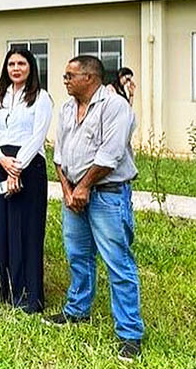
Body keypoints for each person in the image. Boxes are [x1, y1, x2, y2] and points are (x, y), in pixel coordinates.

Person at [47, 56, 144, 362]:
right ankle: (77, 311)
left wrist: (85, 187)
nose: (64, 80)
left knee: (118, 263)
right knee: (78, 256)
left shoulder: (115, 107)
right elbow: (59, 154)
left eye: (69, 75)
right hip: (73, 194)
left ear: (89, 78)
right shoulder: (65, 109)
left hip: (106, 195)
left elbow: (110, 154)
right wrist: (67, 189)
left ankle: (130, 334)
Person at [0, 48, 53, 313]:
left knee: (26, 229)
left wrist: (17, 167)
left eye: (21, 63)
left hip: (29, 166)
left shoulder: (41, 98)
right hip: (1, 163)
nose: (16, 68)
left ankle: (26, 294)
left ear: (31, 67)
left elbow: (38, 135)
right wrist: (2, 160)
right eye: (11, 64)